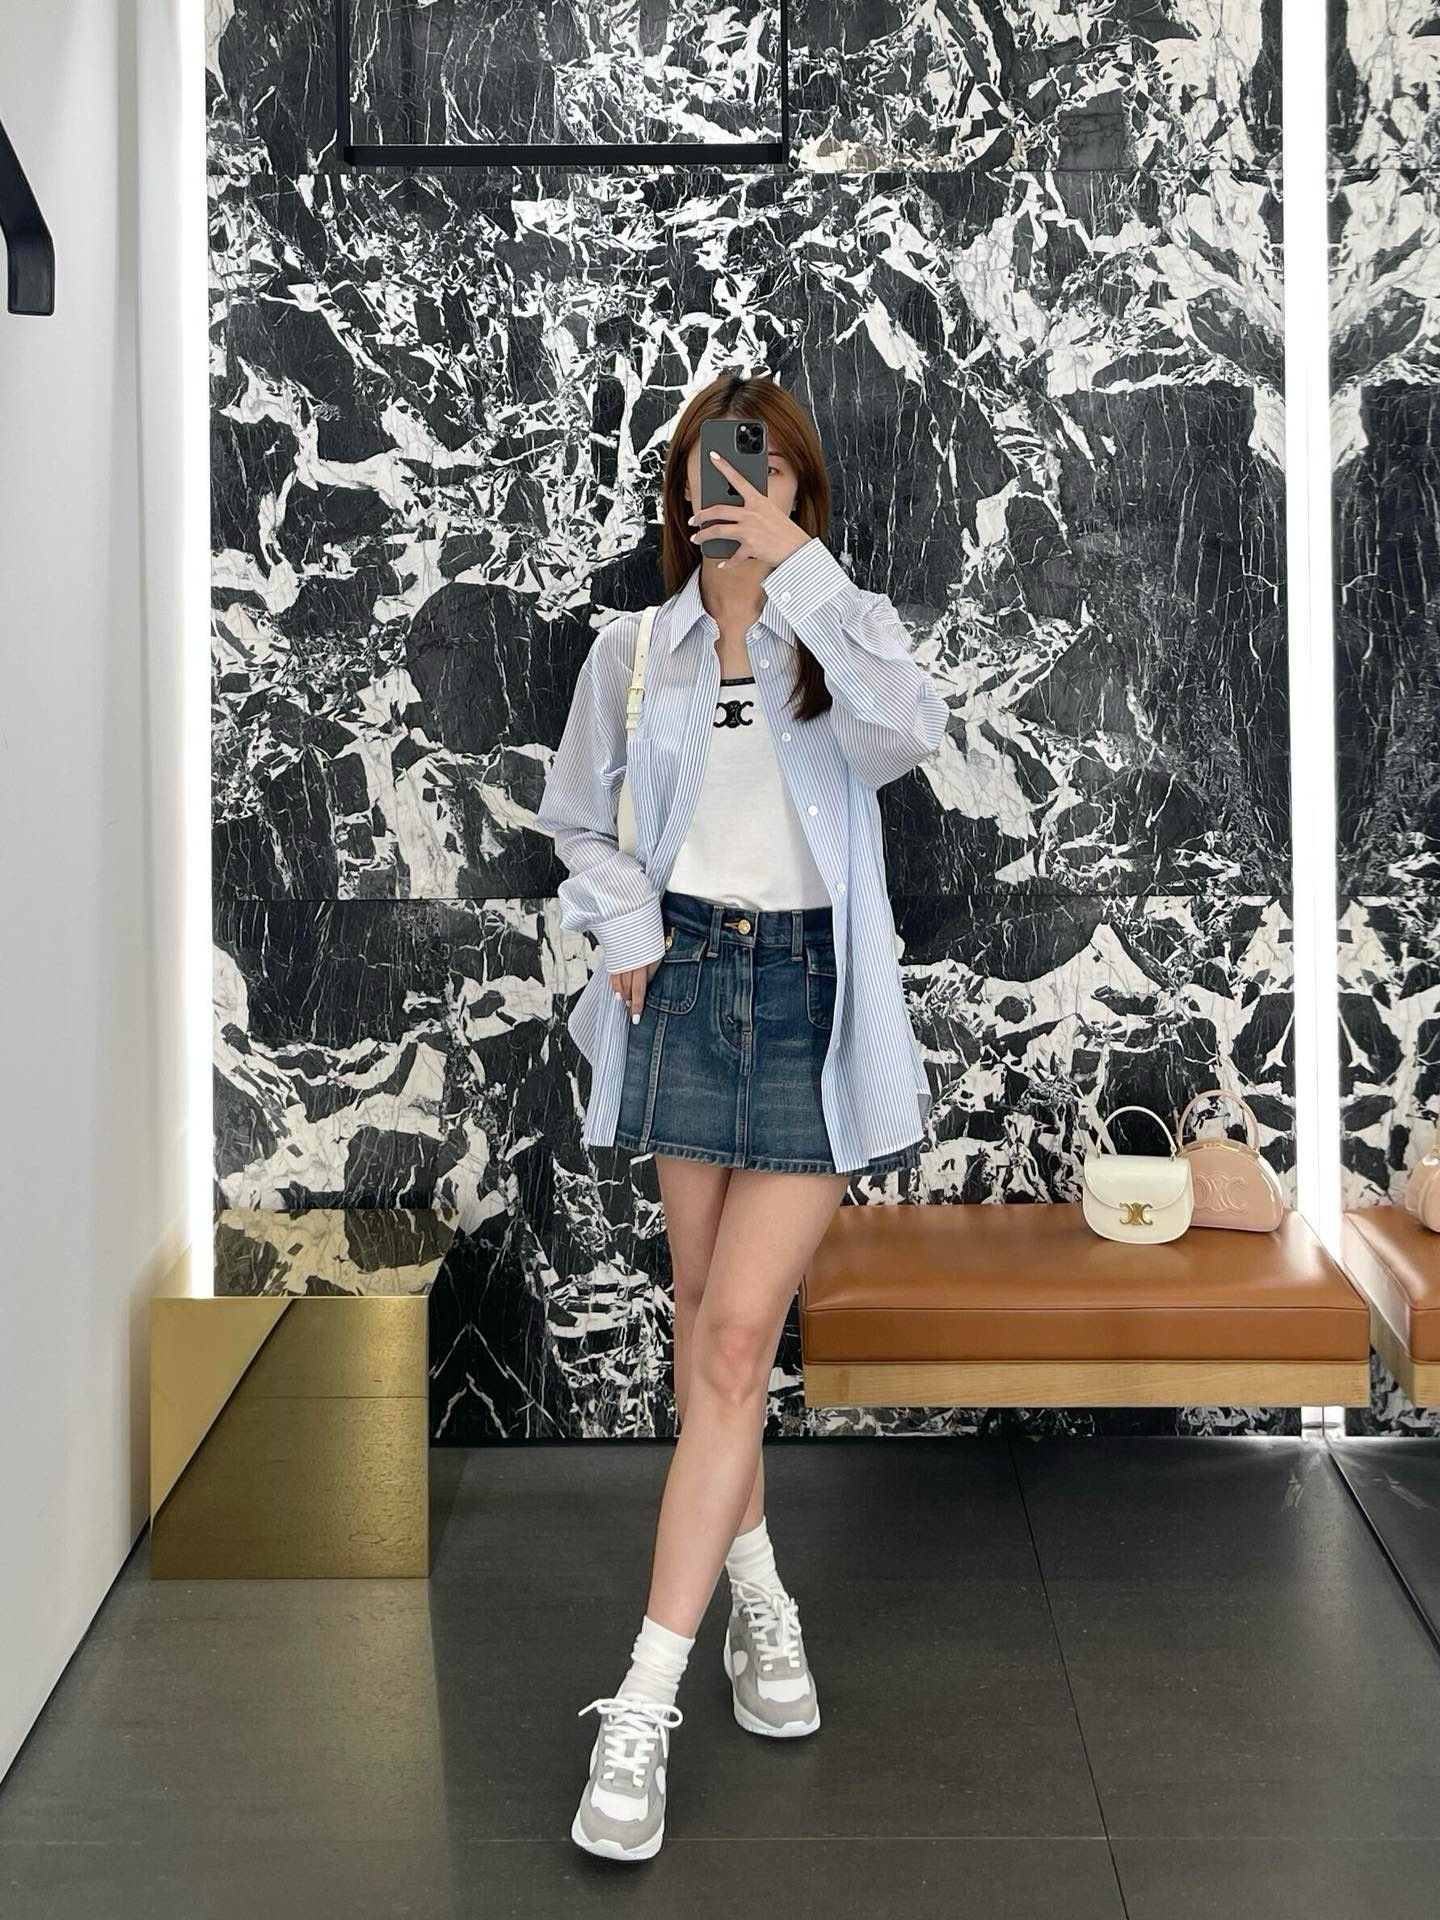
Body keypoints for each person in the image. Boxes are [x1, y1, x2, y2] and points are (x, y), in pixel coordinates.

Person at [533, 371, 949, 1860]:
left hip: (814, 1006)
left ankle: (643, 1704)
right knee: (706, 1325)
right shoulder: (633, 653)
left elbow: (916, 734)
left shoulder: (841, 640)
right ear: (680, 489)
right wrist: (629, 923)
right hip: (688, 984)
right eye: (716, 469)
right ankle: (759, 1599)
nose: (736, 491)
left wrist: (801, 570)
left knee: (728, 1343)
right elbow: (576, 821)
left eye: (764, 472)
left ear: (798, 490)